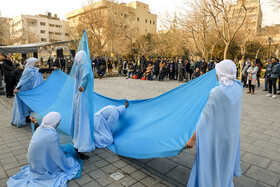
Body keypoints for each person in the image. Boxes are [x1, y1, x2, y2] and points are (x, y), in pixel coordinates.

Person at [186, 59, 242, 187]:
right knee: (225, 165)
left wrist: (193, 139)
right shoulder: (238, 87)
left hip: (216, 138)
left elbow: (204, 120)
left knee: (211, 166)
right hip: (231, 136)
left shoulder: (216, 92)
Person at [7, 112, 80, 187]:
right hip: (42, 166)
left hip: (33, 163)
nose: (58, 123)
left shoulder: (40, 128)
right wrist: (65, 164)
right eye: (58, 121)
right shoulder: (52, 134)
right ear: (54, 122)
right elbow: (57, 155)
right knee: (71, 162)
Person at [70, 50, 95, 160]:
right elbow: (86, 77)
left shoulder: (78, 67)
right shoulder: (84, 66)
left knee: (78, 120)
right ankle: (82, 144)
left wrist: (81, 86)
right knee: (83, 121)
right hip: (82, 97)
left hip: (77, 96)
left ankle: (77, 142)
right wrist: (83, 86)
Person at [11, 58, 43, 127]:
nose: (37, 64)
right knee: (23, 104)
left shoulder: (35, 70)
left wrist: (53, 69)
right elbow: (22, 80)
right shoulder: (27, 70)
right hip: (24, 90)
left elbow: (42, 70)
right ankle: (21, 118)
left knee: (28, 104)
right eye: (36, 63)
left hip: (30, 90)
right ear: (32, 62)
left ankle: (27, 117)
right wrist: (17, 88)